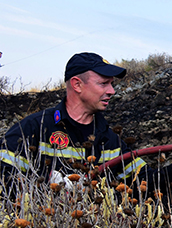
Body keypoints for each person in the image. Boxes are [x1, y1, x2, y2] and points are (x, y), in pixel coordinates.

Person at [0, 52, 148, 186]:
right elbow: (4, 178)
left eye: (111, 84)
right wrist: (49, 186)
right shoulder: (33, 128)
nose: (112, 91)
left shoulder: (109, 139)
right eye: (103, 83)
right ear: (77, 84)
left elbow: (146, 180)